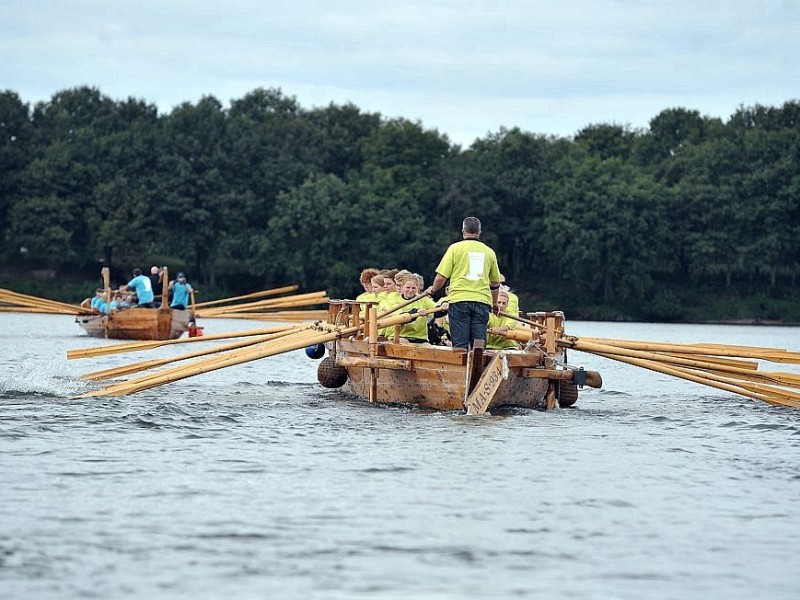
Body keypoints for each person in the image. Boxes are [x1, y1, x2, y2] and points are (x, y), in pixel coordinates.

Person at [424, 216, 501, 391]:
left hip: (459, 300)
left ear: (463, 231)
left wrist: (433, 290)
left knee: (459, 344)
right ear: (480, 232)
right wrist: (495, 304)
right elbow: (495, 284)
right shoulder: (489, 252)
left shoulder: (455, 248)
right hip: (482, 301)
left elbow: (441, 277)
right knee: (478, 343)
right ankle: (479, 383)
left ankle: (461, 384)